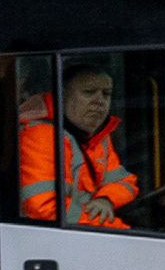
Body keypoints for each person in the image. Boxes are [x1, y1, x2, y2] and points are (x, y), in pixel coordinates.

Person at [18, 61, 138, 229]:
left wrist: (106, 199)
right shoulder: (39, 134)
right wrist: (121, 232)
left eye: (106, 94)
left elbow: (125, 181)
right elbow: (45, 208)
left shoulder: (98, 136)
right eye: (89, 92)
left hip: (80, 235)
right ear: (63, 95)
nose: (99, 101)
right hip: (50, 239)